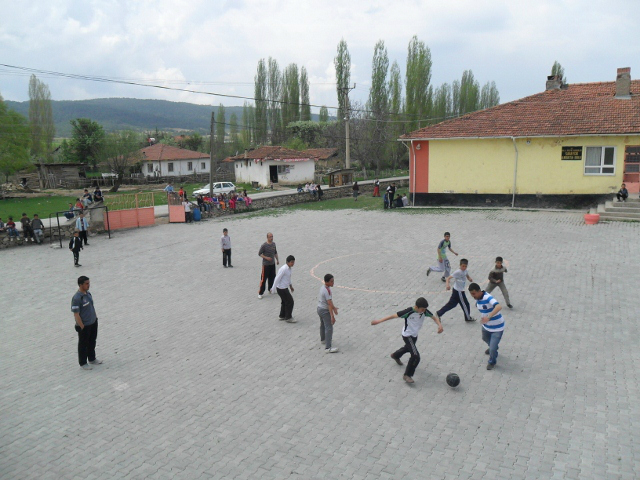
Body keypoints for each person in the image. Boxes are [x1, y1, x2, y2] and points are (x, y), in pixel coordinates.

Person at [371, 297, 443, 384]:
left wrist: (440, 325)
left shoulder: (425, 312)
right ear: (416, 307)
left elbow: (434, 317)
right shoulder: (409, 312)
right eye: (422, 309)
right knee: (415, 355)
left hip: (414, 336)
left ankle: (395, 355)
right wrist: (379, 321)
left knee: (408, 348)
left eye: (425, 309)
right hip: (407, 335)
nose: (424, 311)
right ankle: (407, 375)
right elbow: (393, 316)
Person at [468, 283, 504, 370]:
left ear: (479, 291)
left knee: (492, 349)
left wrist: (488, 317)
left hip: (497, 327)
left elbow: (499, 307)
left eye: (474, 294)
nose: (473, 296)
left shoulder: (488, 297)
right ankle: (494, 347)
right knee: (484, 338)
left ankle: (492, 362)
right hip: (486, 326)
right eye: (471, 294)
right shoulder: (478, 298)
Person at [71, 275, 103, 370]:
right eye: (87, 284)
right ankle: (83, 363)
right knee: (83, 344)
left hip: (93, 322)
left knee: (92, 341)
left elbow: (91, 307)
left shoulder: (88, 294)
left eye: (89, 283)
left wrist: (95, 318)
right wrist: (82, 326)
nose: (89, 285)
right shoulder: (77, 298)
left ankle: (92, 358)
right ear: (81, 285)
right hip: (85, 325)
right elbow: (76, 314)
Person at [317, 274, 339, 353]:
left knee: (322, 324)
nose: (333, 283)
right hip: (324, 310)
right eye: (331, 281)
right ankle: (328, 347)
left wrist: (334, 307)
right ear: (327, 282)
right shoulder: (327, 291)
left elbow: (330, 301)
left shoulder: (323, 288)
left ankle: (323, 339)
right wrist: (332, 316)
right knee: (329, 327)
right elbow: (329, 303)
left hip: (319, 308)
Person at [272, 255, 296, 322]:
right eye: (291, 262)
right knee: (290, 301)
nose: (293, 263)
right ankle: (288, 317)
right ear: (287, 262)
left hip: (284, 287)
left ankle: (282, 315)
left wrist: (291, 286)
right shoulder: (283, 269)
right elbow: (277, 278)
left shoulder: (289, 269)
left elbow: (288, 278)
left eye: (293, 262)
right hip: (281, 288)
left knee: (284, 301)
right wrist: (273, 288)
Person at [258, 232, 279, 298]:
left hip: (272, 264)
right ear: (267, 237)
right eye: (270, 237)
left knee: (272, 277)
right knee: (263, 279)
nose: (271, 238)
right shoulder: (264, 245)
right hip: (266, 265)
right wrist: (266, 257)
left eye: (272, 236)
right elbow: (259, 253)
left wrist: (277, 260)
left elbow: (275, 252)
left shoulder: (273, 244)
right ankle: (260, 293)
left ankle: (271, 289)